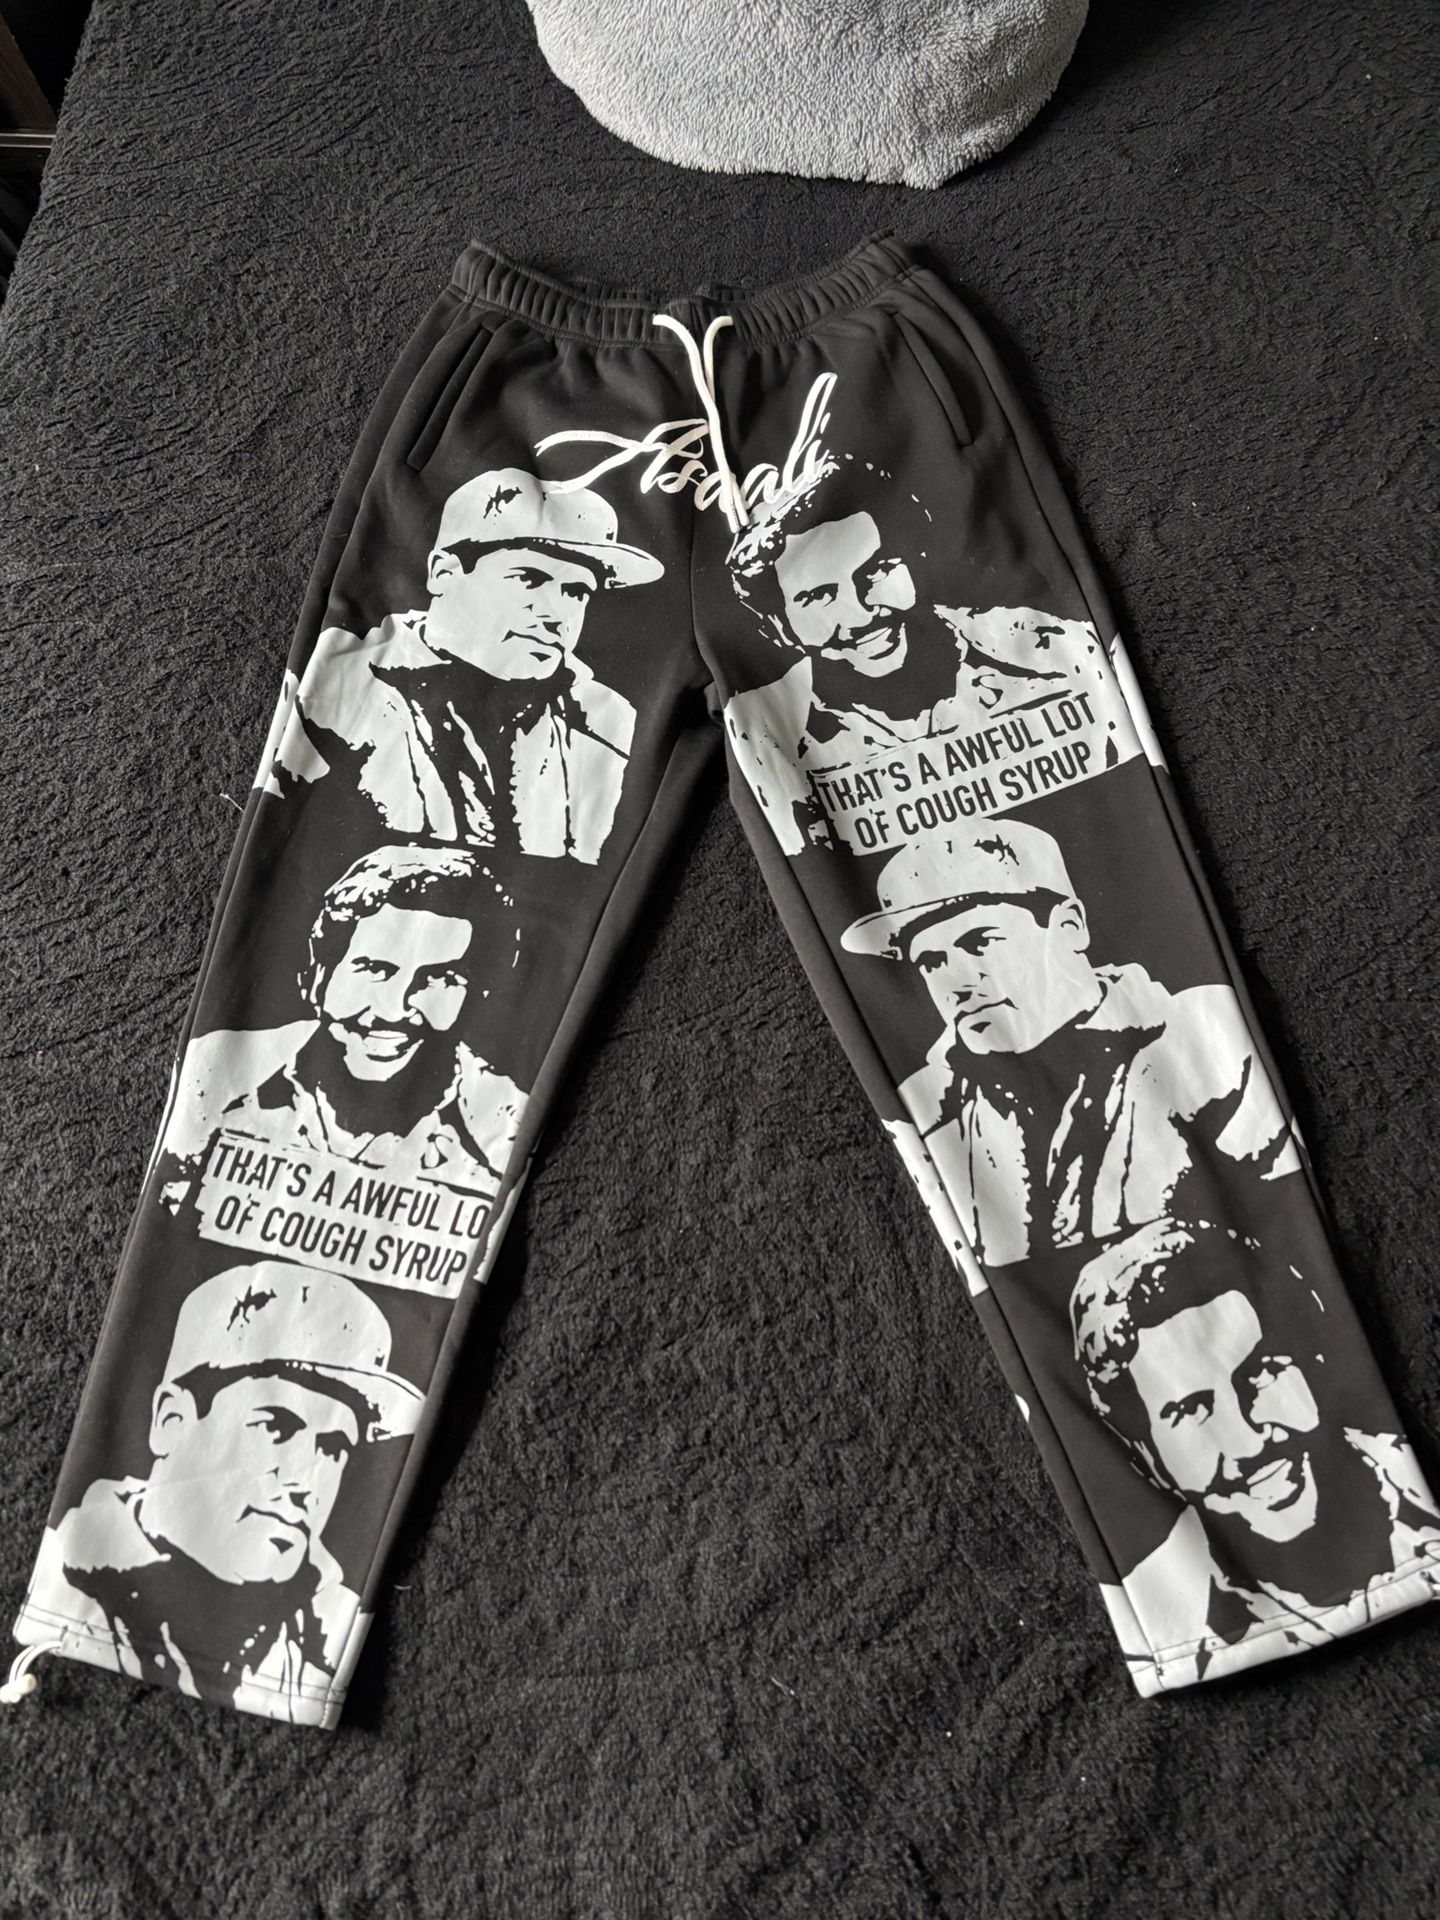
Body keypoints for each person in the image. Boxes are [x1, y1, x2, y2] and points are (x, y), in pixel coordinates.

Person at [841, 820, 1300, 1269]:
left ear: (1068, 927)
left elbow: (1288, 1236)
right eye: (931, 962)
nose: (956, 984)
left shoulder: (1211, 1040)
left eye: (979, 944)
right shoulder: (926, 1112)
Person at [22, 1263, 424, 1721]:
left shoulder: (328, 1634)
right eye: (275, 1428)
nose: (304, 1482)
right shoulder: (68, 1579)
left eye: (333, 1449)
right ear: (171, 1421)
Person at [1071, 1217, 1440, 1684]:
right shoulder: (1181, 1628)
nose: (1249, 1442)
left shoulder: (1414, 1480)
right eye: (1191, 1410)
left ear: (1311, 1358)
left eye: (1261, 1372)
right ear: (1146, 1453)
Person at [258, 468, 665, 862]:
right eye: (528, 579)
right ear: (444, 572)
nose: (556, 615)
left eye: (576, 592)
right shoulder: (334, 691)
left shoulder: (610, 726)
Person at [722, 475, 1136, 855]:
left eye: (876, 571)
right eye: (819, 597)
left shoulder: (1060, 655)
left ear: (915, 560)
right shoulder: (764, 740)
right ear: (780, 627)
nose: (863, 615)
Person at [157, 844, 526, 1207]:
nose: (395, 1010)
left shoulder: (505, 1127)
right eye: (375, 969)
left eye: (440, 978)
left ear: (479, 995)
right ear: (318, 976)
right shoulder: (214, 1078)